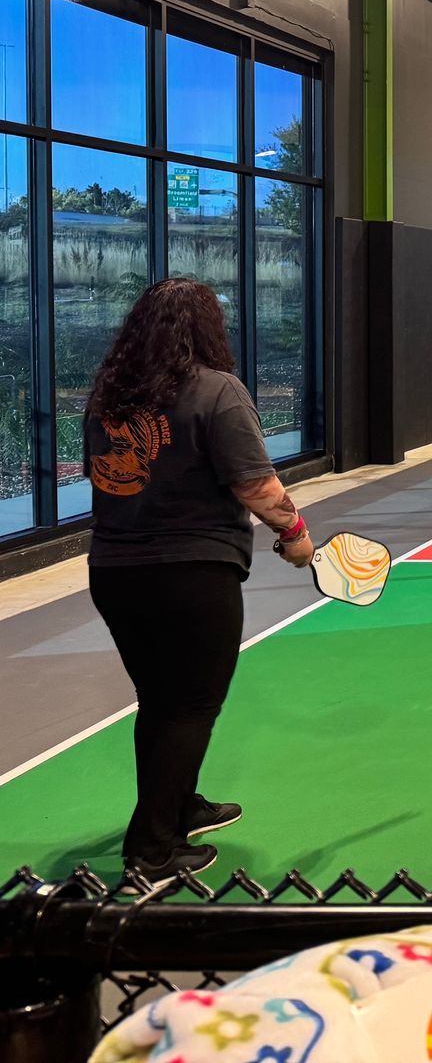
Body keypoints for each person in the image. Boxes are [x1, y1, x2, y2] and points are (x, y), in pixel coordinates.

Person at [83, 279, 314, 882]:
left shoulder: (109, 398)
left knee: (160, 702)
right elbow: (257, 486)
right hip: (191, 576)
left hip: (113, 574)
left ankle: (180, 806)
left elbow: (103, 477)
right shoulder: (219, 391)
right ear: (207, 329)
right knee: (190, 707)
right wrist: (296, 537)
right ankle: (154, 848)